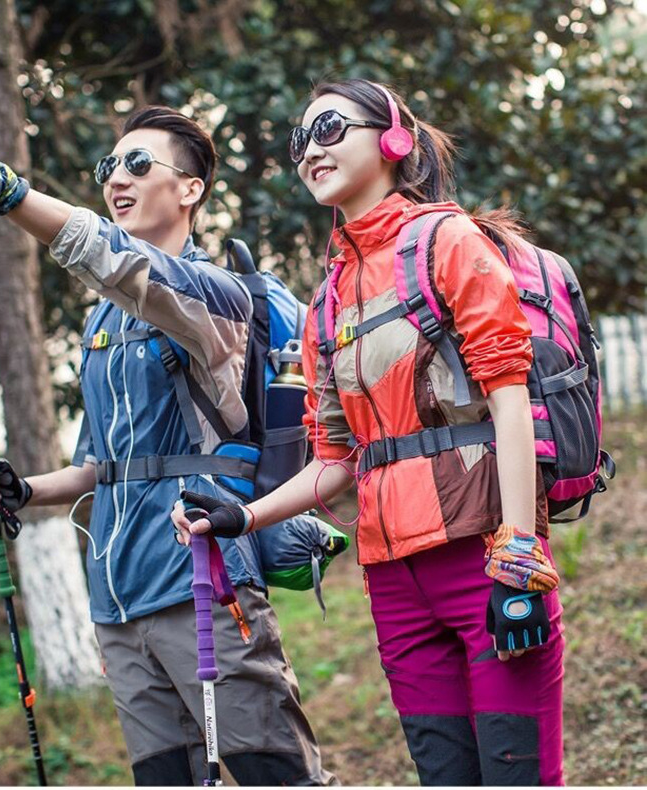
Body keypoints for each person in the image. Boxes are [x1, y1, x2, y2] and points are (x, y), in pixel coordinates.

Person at [0, 103, 337, 786]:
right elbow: (96, 467)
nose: (117, 177)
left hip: (199, 576)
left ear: (190, 188)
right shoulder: (103, 324)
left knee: (276, 772)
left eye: (138, 164)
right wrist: (21, 489)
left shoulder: (216, 297)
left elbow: (112, 259)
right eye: (109, 166)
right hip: (116, 598)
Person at [173, 79, 565, 786]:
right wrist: (241, 517)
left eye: (329, 128)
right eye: (300, 140)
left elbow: (509, 399)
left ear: (393, 140)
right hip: (392, 582)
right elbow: (337, 461)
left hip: (483, 559)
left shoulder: (446, 240)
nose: (310, 150)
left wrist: (519, 554)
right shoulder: (324, 300)